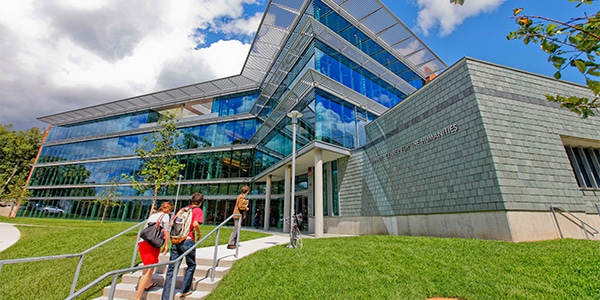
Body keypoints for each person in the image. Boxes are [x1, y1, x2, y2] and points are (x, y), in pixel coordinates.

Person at [162, 193, 204, 299]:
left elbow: (172, 223)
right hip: (188, 240)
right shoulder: (198, 210)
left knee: (172, 268)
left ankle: (166, 297)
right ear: (200, 202)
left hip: (176, 241)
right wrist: (198, 233)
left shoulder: (183, 209)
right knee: (191, 264)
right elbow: (195, 224)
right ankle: (184, 290)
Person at [136, 201, 173, 300]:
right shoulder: (165, 216)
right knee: (147, 270)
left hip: (145, 242)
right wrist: (166, 246)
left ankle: (148, 284)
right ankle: (138, 297)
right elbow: (166, 232)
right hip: (151, 244)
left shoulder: (153, 215)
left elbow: (145, 230)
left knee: (153, 264)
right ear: (169, 210)